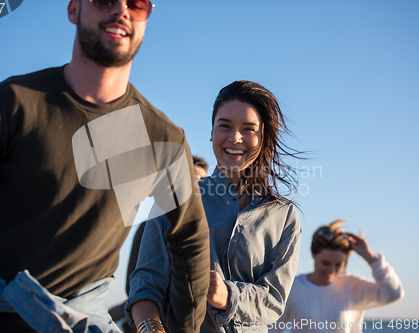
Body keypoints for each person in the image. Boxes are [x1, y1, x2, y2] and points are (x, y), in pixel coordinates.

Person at [0, 1, 210, 333]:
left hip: (84, 325)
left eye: (137, 4)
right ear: (73, 10)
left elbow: (190, 241)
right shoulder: (12, 103)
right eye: (104, 0)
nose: (121, 11)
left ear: (146, 19)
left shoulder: (164, 140)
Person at [126, 80, 302, 332]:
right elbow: (145, 284)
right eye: (225, 126)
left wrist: (227, 295)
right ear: (211, 132)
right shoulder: (173, 198)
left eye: (248, 129)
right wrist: (151, 328)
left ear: (263, 137)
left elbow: (274, 301)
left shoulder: (285, 216)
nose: (235, 138)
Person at [108, 156, 210, 333]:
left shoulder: (215, 226)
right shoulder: (153, 224)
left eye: (202, 180)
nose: (198, 185)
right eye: (193, 179)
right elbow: (137, 282)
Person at [270, 220, 404, 333]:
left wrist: (371, 258)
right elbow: (272, 329)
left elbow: (394, 293)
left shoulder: (353, 286)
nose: (331, 270)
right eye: (326, 263)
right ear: (313, 254)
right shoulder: (292, 288)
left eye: (338, 264)